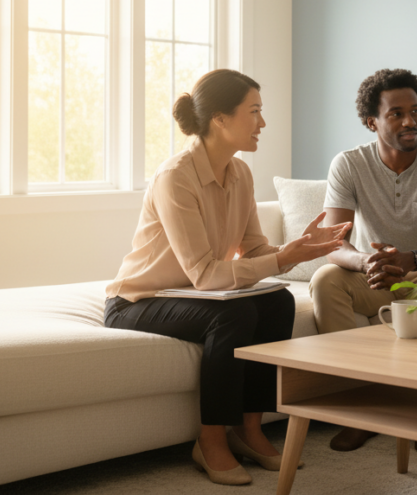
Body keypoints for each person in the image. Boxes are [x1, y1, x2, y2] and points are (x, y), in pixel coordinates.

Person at [105, 69, 350, 486]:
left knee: (277, 301)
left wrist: (296, 249)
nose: (263, 123)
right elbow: (203, 275)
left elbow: (254, 250)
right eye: (254, 112)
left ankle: (248, 428)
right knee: (232, 317)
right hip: (139, 301)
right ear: (219, 119)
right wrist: (281, 259)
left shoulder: (241, 174)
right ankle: (210, 438)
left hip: (193, 295)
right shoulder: (175, 178)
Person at [309, 68, 417, 453]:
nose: (409, 121)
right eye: (396, 113)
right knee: (326, 278)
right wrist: (366, 261)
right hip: (375, 279)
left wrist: (411, 257)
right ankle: (361, 409)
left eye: (414, 111)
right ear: (372, 122)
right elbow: (334, 244)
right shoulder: (348, 164)